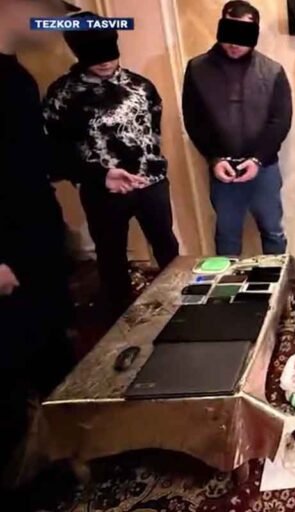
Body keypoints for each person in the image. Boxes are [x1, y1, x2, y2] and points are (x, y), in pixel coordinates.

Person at [43, 12, 179, 317]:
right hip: (102, 189)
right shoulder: (62, 95)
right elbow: (55, 150)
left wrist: (149, 167)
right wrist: (95, 174)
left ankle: (182, 306)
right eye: (95, 56)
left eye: (109, 54)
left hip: (151, 185)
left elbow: (153, 129)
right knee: (111, 255)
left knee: (166, 247)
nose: (104, 62)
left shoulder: (141, 86)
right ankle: (120, 317)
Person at [0, 0, 76, 482]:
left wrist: (98, 173)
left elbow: (33, 158)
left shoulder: (17, 75)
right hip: (6, 260)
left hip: (39, 243)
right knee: (10, 373)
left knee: (54, 351)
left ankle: (60, 457)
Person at [183, 0, 292, 256]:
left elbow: (280, 120)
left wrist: (257, 159)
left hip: (264, 168)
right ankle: (227, 283)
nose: (234, 42)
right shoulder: (197, 69)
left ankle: (276, 281)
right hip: (223, 169)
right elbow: (194, 120)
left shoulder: (272, 70)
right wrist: (214, 158)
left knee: (273, 232)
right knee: (227, 236)